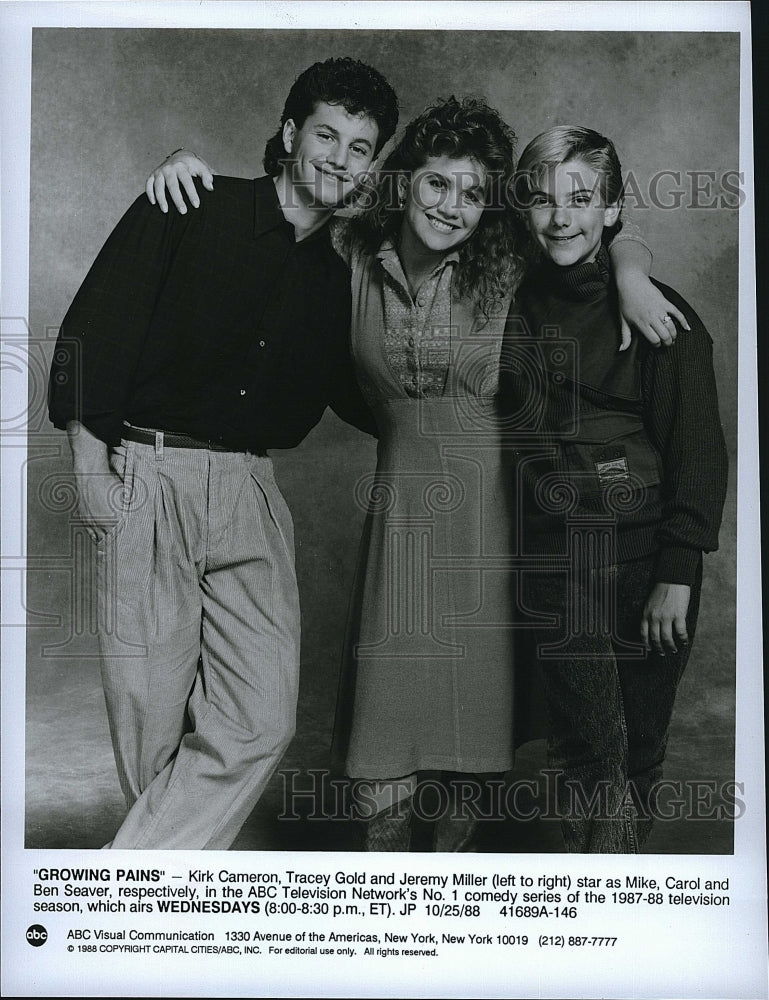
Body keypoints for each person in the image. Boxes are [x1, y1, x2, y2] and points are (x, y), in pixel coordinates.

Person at [149, 101, 687, 852]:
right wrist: (185, 161)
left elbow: (590, 239)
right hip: (398, 512)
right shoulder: (349, 254)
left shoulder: (509, 267)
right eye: (436, 185)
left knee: (477, 725)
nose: (452, 207)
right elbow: (285, 205)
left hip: (497, 521)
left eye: (472, 194)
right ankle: (391, 878)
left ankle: (448, 875)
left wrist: (632, 273)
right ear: (403, 185)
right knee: (389, 716)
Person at [46, 57, 399, 850]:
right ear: (287, 134)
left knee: (261, 715)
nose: (340, 159)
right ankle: (155, 903)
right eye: (327, 135)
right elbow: (91, 331)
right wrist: (88, 468)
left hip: (248, 488)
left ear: (371, 167)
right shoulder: (190, 203)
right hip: (147, 475)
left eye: (360, 147)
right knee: (150, 716)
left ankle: (121, 881)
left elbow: (363, 394)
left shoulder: (336, 279)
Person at [501, 125, 728, 852]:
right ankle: (592, 910)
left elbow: (697, 454)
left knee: (640, 751)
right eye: (541, 200)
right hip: (558, 563)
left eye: (580, 198)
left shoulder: (662, 316)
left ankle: (617, 906)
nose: (560, 217)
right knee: (586, 751)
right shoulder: (510, 305)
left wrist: (678, 572)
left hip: (645, 564)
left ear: (611, 209)